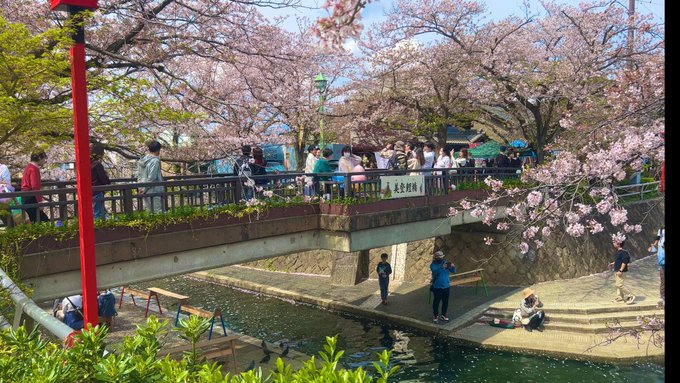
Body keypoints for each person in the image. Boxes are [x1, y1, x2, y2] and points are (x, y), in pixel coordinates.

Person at [21, 151, 49, 223]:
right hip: (31, 197)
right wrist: (40, 202)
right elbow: (35, 187)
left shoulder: (29, 167)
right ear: (39, 158)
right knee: (42, 220)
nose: (45, 161)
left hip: (26, 196)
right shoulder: (34, 169)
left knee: (36, 220)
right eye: (44, 158)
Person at [137, 140, 164, 213]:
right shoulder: (155, 161)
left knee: (149, 211)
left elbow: (139, 175)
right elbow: (152, 177)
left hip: (143, 189)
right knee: (157, 211)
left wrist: (141, 188)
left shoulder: (142, 161)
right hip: (154, 189)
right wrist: (145, 189)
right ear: (158, 150)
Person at [430, 251, 455, 324]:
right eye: (439, 257)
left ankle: (443, 315)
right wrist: (441, 267)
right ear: (436, 257)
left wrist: (452, 266)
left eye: (441, 257)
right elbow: (434, 271)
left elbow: (453, 271)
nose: (441, 258)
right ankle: (435, 315)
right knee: (436, 302)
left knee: (445, 302)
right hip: (437, 286)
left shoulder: (446, 262)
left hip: (446, 286)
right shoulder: (433, 264)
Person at [609, 239, 635, 304]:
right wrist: (613, 263)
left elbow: (624, 262)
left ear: (619, 244)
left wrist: (620, 270)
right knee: (618, 285)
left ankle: (630, 295)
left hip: (621, 271)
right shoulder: (618, 251)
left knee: (619, 284)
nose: (613, 243)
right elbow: (619, 260)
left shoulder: (623, 252)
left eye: (614, 242)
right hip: (617, 270)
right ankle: (619, 298)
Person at [91, 143, 111, 220]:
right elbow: (104, 180)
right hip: (97, 191)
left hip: (90, 191)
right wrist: (107, 176)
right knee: (98, 214)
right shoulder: (97, 165)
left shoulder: (88, 164)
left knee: (96, 212)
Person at [649, 227, 665, 306]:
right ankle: (662, 296)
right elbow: (658, 238)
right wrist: (654, 245)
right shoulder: (661, 230)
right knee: (663, 281)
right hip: (663, 267)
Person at [0, 163, 16, 227]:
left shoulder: (3, 168)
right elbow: (7, 185)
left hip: (2, 200)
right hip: (2, 199)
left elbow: (6, 185)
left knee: (9, 222)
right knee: (9, 224)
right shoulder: (3, 168)